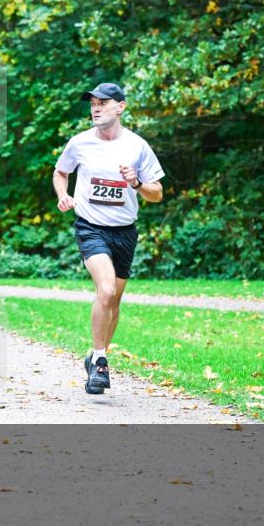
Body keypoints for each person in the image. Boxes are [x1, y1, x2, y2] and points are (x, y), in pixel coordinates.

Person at [52, 83, 164, 395]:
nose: (96, 108)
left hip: (125, 231)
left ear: (121, 107)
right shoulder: (80, 143)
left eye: (103, 103)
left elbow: (157, 193)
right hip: (91, 227)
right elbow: (61, 172)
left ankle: (96, 354)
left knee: (114, 300)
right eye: (92, 104)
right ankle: (101, 362)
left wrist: (137, 182)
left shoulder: (137, 146)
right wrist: (63, 195)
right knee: (105, 288)